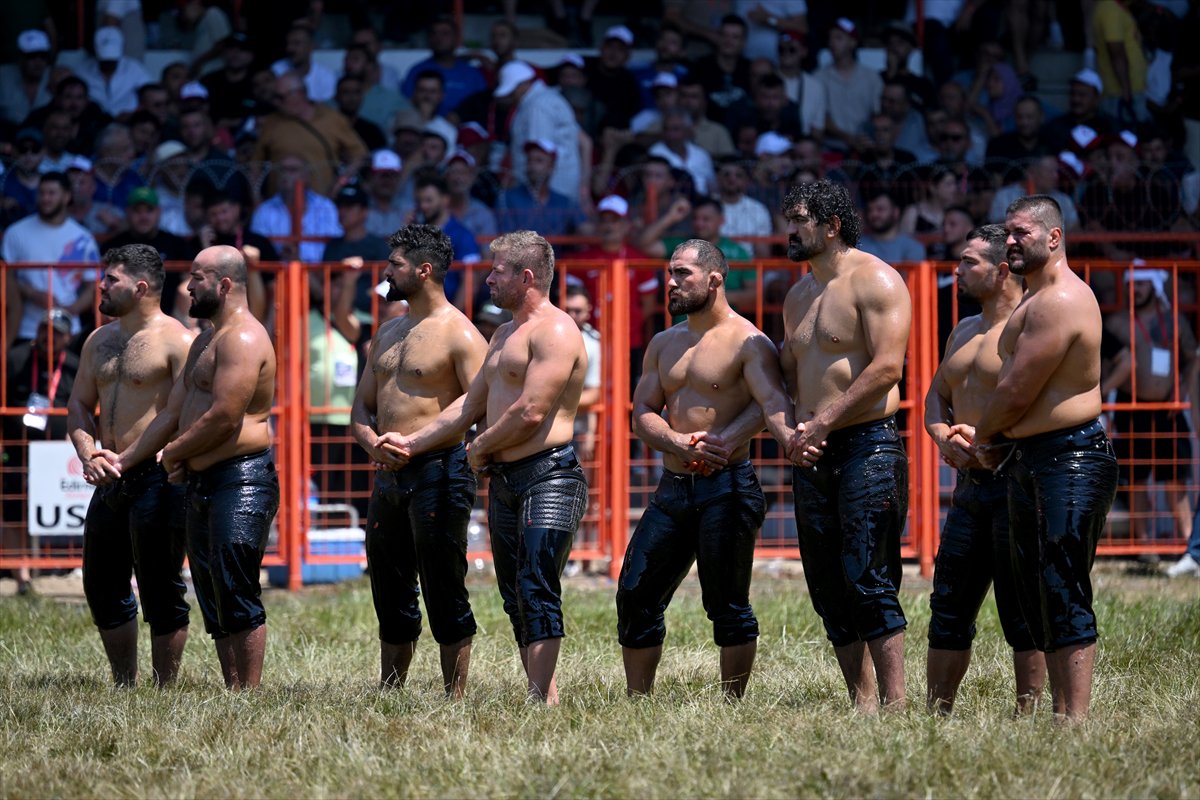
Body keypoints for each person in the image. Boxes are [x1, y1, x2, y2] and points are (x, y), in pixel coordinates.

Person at [390, 230, 589, 704]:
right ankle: (545, 694)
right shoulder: (502, 333)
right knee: (514, 594)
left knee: (535, 583)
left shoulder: (556, 330)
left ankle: (542, 700)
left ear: (526, 276)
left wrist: (477, 450)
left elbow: (531, 411)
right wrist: (411, 442)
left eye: (497, 270)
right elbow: (468, 406)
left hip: (550, 475)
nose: (487, 279)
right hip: (505, 480)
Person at [616, 238, 800, 699]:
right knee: (635, 593)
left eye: (683, 274)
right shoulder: (664, 342)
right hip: (674, 486)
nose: (671, 282)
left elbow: (772, 403)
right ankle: (639, 702)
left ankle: (731, 703)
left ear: (714, 279)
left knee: (726, 603)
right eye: (670, 273)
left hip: (728, 486)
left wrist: (725, 441)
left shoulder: (748, 340)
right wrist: (676, 440)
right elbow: (642, 412)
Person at [961, 195, 1119, 722]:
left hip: (1070, 455)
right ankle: (1057, 711)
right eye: (1007, 233)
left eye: (1021, 233)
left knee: (1062, 581)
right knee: (1034, 589)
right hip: (1029, 456)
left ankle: (1072, 720)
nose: (1010, 241)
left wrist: (980, 437)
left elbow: (1016, 390)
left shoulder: (1061, 300)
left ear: (1054, 237)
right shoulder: (1034, 298)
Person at [116, 245, 279, 689]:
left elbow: (225, 416)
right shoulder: (205, 338)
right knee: (210, 589)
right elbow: (173, 411)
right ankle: (233, 689)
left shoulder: (243, 338)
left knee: (235, 584)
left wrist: (173, 453)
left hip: (240, 477)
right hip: (201, 479)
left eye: (197, 278)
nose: (187, 286)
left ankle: (248, 694)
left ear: (224, 285)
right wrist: (133, 457)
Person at [781, 179, 912, 712]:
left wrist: (826, 420)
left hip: (867, 443)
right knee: (826, 580)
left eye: (800, 220)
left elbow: (887, 367)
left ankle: (897, 703)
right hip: (814, 448)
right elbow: (793, 374)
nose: (789, 230)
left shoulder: (876, 280)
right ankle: (862, 702)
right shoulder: (798, 294)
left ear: (831, 226)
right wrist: (794, 429)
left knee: (868, 572)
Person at [350, 224, 488, 696]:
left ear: (424, 270)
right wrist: (372, 442)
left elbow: (475, 405)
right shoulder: (388, 330)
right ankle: (392, 689)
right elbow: (361, 405)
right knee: (387, 582)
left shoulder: (461, 334)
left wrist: (414, 442)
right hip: (388, 472)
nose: (387, 272)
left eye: (395, 265)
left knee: (442, 582)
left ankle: (455, 696)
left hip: (440, 470)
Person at [923, 225, 1046, 715]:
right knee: (948, 601)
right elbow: (937, 392)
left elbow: (1030, 399)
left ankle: (1029, 712)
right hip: (970, 484)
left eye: (968, 262)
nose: (957, 271)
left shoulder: (1029, 324)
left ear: (1000, 270)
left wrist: (990, 440)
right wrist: (940, 434)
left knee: (1022, 607)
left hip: (1016, 477)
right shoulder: (964, 328)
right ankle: (936, 713)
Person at [66, 244, 194, 687]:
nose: (100, 285)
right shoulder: (98, 340)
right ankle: (125, 682)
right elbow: (79, 404)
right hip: (109, 474)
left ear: (140, 287)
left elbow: (176, 414)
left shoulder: (178, 340)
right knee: (101, 582)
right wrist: (89, 452)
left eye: (111, 279)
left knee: (161, 586)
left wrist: (123, 457)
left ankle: (164, 689)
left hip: (158, 477)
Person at [1101, 268, 1196, 542]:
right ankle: (1142, 541)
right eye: (1132, 284)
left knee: (1175, 475)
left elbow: (1191, 358)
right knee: (1136, 476)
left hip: (1169, 408)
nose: (1136, 289)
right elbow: (1107, 365)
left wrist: (1180, 393)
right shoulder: (1118, 323)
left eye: (1142, 284)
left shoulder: (1174, 320)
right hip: (1132, 409)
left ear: (1154, 286)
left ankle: (1186, 541)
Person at [2, 171, 100, 343]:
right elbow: (4, 277)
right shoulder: (15, 233)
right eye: (42, 193)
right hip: (27, 329)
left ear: (66, 196)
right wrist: (30, 292)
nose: (45, 198)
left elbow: (94, 285)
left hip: (68, 332)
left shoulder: (83, 238)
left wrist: (71, 310)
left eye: (52, 193)